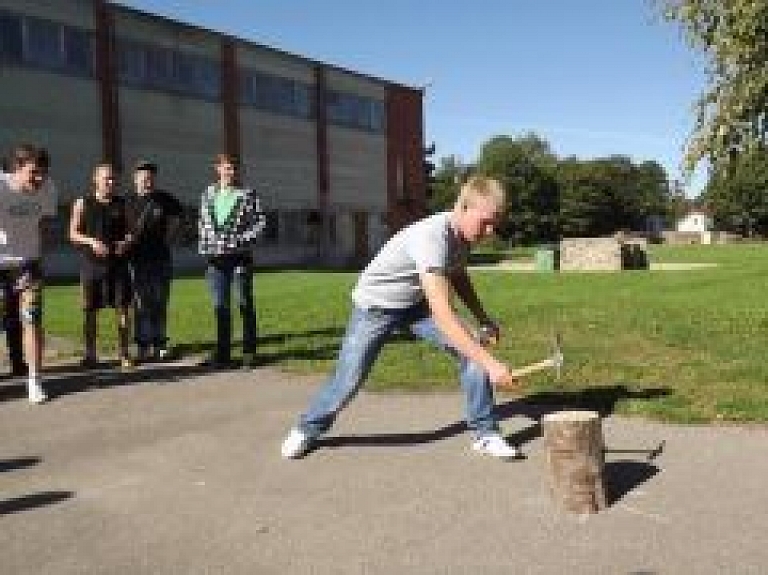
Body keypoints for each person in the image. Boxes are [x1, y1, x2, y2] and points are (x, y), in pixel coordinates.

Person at [281, 176, 522, 460]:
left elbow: (457, 273)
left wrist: (482, 318)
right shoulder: (433, 236)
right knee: (348, 379)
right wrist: (491, 363)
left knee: (472, 352)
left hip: (415, 304)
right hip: (376, 306)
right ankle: (307, 428)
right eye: (486, 222)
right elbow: (443, 313)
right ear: (463, 207)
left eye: (495, 223)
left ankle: (486, 432)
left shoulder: (464, 236)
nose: (490, 231)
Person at [0, 145, 58, 403]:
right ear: (17, 168)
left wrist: (37, 258)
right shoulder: (2, 187)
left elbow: (44, 225)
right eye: (33, 172)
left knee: (31, 320)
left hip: (27, 265)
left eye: (43, 173)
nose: (39, 179)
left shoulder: (48, 190)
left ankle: (34, 380)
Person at [198, 153, 266, 368]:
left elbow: (260, 224)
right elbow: (202, 224)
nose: (230, 172)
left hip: (239, 259)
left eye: (234, 168)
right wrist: (207, 247)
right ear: (218, 169)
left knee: (245, 304)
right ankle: (224, 354)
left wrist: (238, 241)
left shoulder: (248, 195)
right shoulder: (208, 194)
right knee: (221, 307)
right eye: (226, 168)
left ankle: (249, 352)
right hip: (216, 260)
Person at [69, 163, 134, 368]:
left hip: (118, 265)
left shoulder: (123, 204)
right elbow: (72, 234)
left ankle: (124, 353)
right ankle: (90, 355)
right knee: (90, 311)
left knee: (122, 310)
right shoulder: (82, 203)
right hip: (91, 266)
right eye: (106, 178)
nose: (110, 182)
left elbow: (131, 233)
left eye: (113, 179)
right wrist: (91, 241)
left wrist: (126, 243)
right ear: (95, 179)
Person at [127, 160, 183, 362]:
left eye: (151, 177)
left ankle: (160, 344)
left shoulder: (164, 199)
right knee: (141, 305)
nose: (147, 181)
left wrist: (169, 236)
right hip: (137, 261)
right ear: (135, 179)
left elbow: (179, 217)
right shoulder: (128, 201)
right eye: (143, 177)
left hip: (161, 259)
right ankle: (142, 345)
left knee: (160, 303)